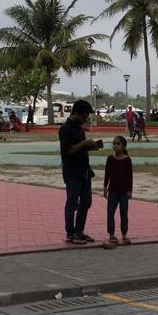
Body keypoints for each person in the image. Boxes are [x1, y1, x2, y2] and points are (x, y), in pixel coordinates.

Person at [59, 99, 104, 244]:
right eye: (84, 117)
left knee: (86, 202)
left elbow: (79, 148)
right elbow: (68, 150)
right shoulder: (65, 129)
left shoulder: (79, 128)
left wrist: (89, 146)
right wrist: (84, 143)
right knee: (72, 203)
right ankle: (70, 234)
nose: (85, 120)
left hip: (84, 170)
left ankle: (79, 231)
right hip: (72, 172)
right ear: (76, 114)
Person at [103, 135, 133, 246]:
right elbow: (107, 174)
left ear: (123, 146)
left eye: (118, 144)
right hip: (112, 191)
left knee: (124, 213)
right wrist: (105, 187)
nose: (115, 145)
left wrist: (130, 190)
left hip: (124, 192)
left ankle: (124, 235)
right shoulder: (110, 159)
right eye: (114, 143)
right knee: (110, 212)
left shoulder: (127, 160)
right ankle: (111, 235)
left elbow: (130, 176)